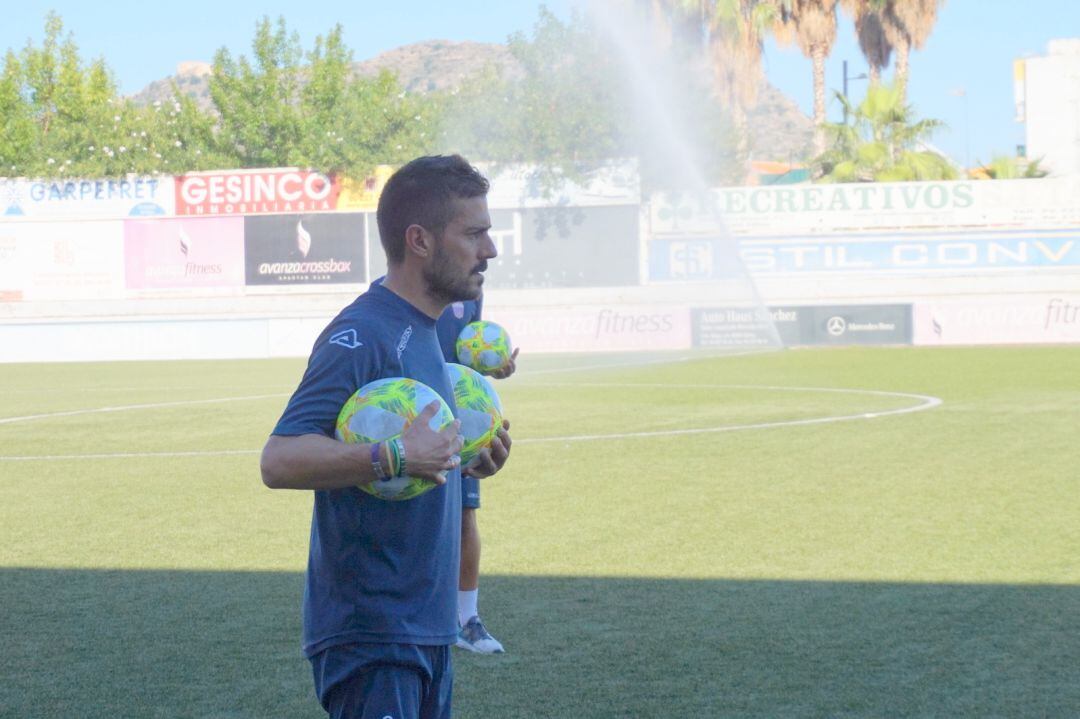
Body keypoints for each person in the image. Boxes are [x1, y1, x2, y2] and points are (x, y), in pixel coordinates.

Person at [260, 154, 512, 719]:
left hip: (427, 625)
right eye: (474, 234)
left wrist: (462, 457)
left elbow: (411, 455)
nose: (490, 251)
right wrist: (393, 455)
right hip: (373, 635)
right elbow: (279, 460)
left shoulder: (425, 332)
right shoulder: (363, 332)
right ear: (419, 240)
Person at [435, 296, 519, 655]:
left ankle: (466, 619)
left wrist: (491, 365)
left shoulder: (471, 292)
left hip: (464, 417)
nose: (481, 270)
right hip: (412, 412)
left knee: (465, 514)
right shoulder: (391, 291)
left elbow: (466, 351)